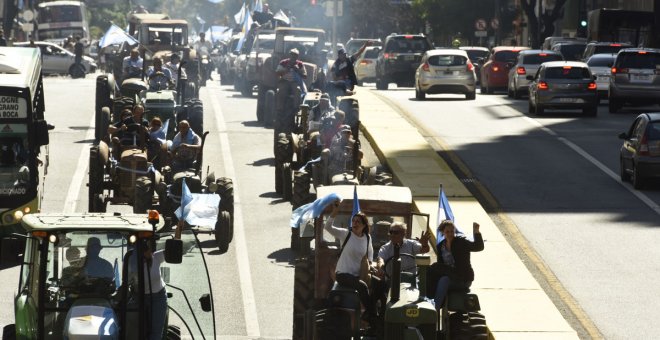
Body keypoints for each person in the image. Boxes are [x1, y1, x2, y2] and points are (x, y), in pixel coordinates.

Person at [324, 200, 381, 323]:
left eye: (358, 222)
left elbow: (370, 253)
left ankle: (378, 313)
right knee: (362, 286)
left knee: (380, 284)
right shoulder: (346, 234)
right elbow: (328, 227)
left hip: (358, 274)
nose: (354, 223)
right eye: (353, 221)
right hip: (343, 274)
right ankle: (371, 314)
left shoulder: (367, 237)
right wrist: (335, 212)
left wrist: (370, 265)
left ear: (364, 225)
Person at [432, 220, 484, 311]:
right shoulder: (440, 246)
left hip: (462, 278)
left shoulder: (461, 242)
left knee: (444, 280)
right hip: (449, 276)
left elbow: (478, 247)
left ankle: (434, 309)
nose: (450, 234)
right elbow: (441, 266)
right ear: (443, 232)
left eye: (452, 231)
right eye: (447, 232)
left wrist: (476, 232)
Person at [275, 48, 307, 113]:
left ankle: (296, 108)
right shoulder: (283, 62)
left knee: (298, 90)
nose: (293, 56)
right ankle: (280, 109)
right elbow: (277, 73)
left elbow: (305, 75)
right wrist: (286, 69)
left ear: (297, 56)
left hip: (295, 82)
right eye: (292, 55)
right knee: (281, 91)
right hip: (285, 81)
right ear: (289, 55)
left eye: (295, 55)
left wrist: (298, 70)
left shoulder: (300, 64)